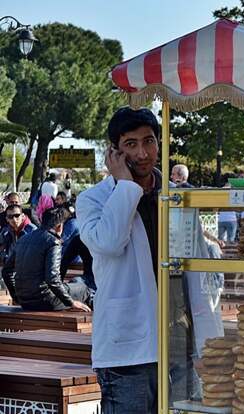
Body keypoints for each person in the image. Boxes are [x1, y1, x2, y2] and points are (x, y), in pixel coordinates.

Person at [76, 107, 161, 414]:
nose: (142, 153)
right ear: (114, 152)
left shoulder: (174, 195)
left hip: (176, 343)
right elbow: (110, 243)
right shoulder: (92, 200)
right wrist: (125, 185)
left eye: (149, 141)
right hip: (127, 352)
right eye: (131, 144)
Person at [5, 207, 92, 311]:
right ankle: (94, 323)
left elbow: (6, 271)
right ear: (60, 226)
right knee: (85, 289)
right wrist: (71, 302)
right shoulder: (53, 241)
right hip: (45, 301)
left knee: (71, 287)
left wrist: (16, 296)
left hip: (25, 301)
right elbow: (52, 279)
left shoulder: (23, 239)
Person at [0, 204, 37, 303]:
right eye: (10, 217)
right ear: (7, 219)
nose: (14, 219)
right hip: (13, 271)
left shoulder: (32, 231)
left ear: (23, 216)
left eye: (17, 215)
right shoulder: (6, 232)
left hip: (31, 273)